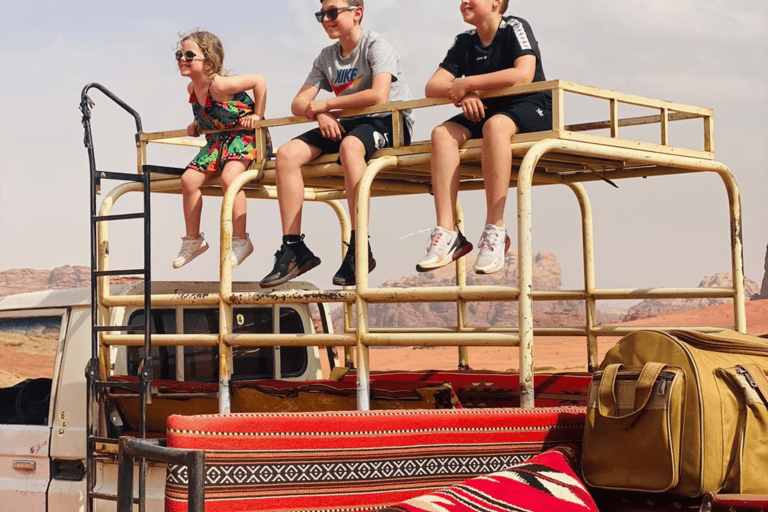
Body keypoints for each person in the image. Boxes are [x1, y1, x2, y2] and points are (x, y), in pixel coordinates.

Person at [259, 0, 414, 288]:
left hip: (387, 121)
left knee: (350, 147)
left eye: (332, 12)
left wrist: (326, 104)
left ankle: (359, 246)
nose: (326, 19)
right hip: (348, 123)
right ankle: (294, 248)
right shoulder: (327, 56)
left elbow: (379, 95)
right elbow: (298, 103)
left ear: (357, 12)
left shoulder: (376, 46)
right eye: (321, 14)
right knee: (287, 154)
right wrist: (320, 113)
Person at [416, 0, 551, 274]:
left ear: (495, 3)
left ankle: (495, 230)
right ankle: (448, 231)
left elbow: (524, 74)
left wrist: (469, 83)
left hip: (530, 105)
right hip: (489, 109)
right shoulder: (464, 41)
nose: (464, 1)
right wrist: (464, 92)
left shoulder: (514, 27)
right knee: (442, 134)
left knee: (496, 127)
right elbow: (432, 86)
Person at [172, 30, 271, 269]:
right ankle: (193, 239)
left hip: (245, 137)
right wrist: (198, 125)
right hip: (219, 140)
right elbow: (211, 114)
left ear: (208, 60)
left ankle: (241, 239)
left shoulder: (222, 84)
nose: (182, 59)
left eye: (189, 55)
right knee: (189, 180)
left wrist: (257, 114)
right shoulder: (192, 90)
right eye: (179, 54)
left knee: (230, 178)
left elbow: (259, 80)